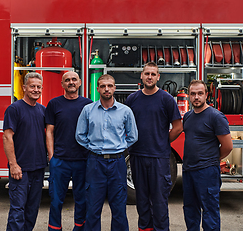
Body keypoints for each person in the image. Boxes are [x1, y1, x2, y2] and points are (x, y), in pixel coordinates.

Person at [75, 74, 138, 231]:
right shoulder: (88, 110)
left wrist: (120, 147)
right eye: (103, 86)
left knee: (119, 209)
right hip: (95, 162)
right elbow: (79, 135)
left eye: (109, 85)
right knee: (93, 208)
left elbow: (133, 136)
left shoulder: (125, 111)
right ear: (97, 89)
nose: (106, 89)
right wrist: (93, 148)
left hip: (117, 163)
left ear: (114, 88)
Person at [125, 62, 183, 231]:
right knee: (141, 202)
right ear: (141, 76)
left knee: (159, 203)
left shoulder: (166, 99)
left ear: (158, 77)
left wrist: (162, 141)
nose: (149, 77)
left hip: (159, 158)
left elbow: (178, 127)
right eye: (146, 73)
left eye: (153, 74)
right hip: (137, 157)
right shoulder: (132, 99)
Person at [182, 80, 233, 231]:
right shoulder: (188, 116)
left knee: (210, 211)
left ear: (206, 95)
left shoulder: (216, 117)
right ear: (189, 96)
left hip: (207, 172)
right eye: (193, 94)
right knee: (190, 210)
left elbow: (228, 146)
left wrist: (212, 160)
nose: (196, 97)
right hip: (188, 170)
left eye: (200, 94)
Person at [45, 71, 92, 231]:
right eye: (67, 80)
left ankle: (79, 228)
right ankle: (54, 228)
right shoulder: (54, 104)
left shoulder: (88, 104)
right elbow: (49, 131)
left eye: (74, 79)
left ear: (79, 82)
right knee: (56, 200)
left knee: (82, 199)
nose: (71, 82)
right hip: (60, 160)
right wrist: (52, 157)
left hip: (83, 160)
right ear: (62, 84)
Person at [2, 72, 47, 231]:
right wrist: (13, 165)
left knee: (32, 211)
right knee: (17, 211)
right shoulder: (14, 109)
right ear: (24, 88)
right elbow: (7, 137)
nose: (36, 89)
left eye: (38, 87)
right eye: (32, 86)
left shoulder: (43, 110)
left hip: (38, 168)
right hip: (21, 170)